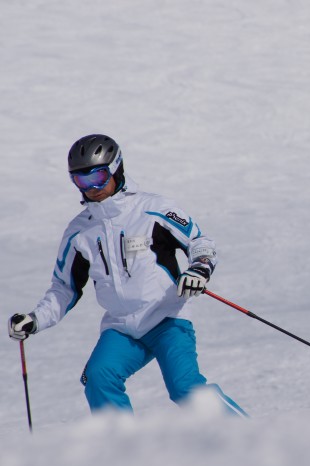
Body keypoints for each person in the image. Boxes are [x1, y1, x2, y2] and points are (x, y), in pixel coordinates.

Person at [7, 134, 246, 416]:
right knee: (98, 378)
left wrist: (199, 268)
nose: (91, 188)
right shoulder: (79, 231)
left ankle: (250, 437)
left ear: (116, 169)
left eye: (97, 176)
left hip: (167, 318)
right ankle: (126, 455)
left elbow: (199, 242)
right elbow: (64, 288)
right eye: (81, 181)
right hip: (121, 328)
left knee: (185, 388)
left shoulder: (153, 209)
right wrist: (34, 320)